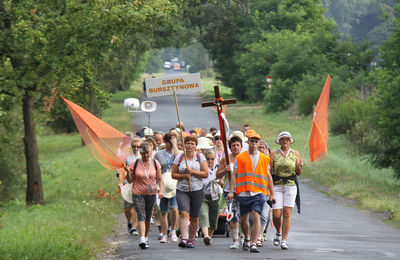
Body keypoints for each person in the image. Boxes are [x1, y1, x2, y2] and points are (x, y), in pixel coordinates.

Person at [228, 131, 275, 253]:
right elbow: (234, 174)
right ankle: (247, 238)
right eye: (252, 141)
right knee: (243, 218)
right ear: (248, 142)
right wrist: (231, 191)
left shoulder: (265, 159)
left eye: (256, 142)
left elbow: (268, 176)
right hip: (243, 192)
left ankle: (254, 243)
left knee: (256, 214)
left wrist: (272, 193)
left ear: (259, 143)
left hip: (259, 192)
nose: (254, 144)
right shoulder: (241, 157)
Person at [125, 142, 164, 249]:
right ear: (140, 153)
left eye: (148, 153)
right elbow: (130, 180)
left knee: (148, 217)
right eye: (143, 153)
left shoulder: (156, 163)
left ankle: (145, 237)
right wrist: (128, 172)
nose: (146, 156)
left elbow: (160, 179)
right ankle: (142, 238)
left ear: (151, 152)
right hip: (138, 193)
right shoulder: (136, 163)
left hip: (151, 193)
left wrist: (161, 191)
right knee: (141, 215)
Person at [171, 136, 208, 248]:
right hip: (182, 190)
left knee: (195, 216)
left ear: (195, 146)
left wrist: (192, 172)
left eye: (192, 144)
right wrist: (183, 176)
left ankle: (191, 238)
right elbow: (173, 174)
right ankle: (184, 238)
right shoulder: (179, 157)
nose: (190, 146)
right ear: (184, 145)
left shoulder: (200, 157)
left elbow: (205, 173)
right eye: (187, 143)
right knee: (184, 212)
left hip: (197, 189)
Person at [270, 131, 303, 250]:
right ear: (279, 141)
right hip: (277, 185)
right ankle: (278, 231)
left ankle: (284, 240)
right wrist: (269, 188)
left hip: (290, 185)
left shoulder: (295, 153)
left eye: (287, 139)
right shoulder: (274, 154)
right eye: (282, 139)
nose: (285, 141)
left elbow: (298, 172)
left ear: (290, 141)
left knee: (287, 213)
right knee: (276, 214)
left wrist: (300, 167)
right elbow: (270, 172)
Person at [154, 133, 180, 243]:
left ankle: (173, 230)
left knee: (174, 208)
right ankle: (164, 234)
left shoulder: (177, 153)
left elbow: (179, 160)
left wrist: (175, 146)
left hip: (174, 184)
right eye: (169, 141)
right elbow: (155, 168)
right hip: (163, 183)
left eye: (172, 141)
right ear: (165, 142)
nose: (170, 143)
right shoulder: (158, 154)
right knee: (163, 211)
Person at [218, 136, 243, 249]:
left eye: (238, 145)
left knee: (243, 215)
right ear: (230, 147)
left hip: (243, 190)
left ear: (241, 146)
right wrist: (225, 170)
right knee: (233, 215)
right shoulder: (226, 159)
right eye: (233, 145)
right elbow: (217, 174)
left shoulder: (245, 158)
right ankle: (235, 240)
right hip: (229, 190)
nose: (236, 147)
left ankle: (243, 237)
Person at [199, 149, 223, 246]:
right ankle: (205, 235)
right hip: (203, 194)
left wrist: (220, 182)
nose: (210, 161)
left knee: (214, 218)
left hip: (216, 195)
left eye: (212, 159)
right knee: (204, 215)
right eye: (208, 159)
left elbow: (222, 181)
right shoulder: (201, 167)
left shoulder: (219, 167)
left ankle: (209, 237)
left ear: (215, 158)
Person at [120, 137, 142, 236]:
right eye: (134, 146)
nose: (136, 148)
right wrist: (121, 182)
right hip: (128, 184)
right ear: (131, 147)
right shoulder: (127, 158)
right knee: (128, 208)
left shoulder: (143, 157)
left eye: (138, 147)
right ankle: (129, 221)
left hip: (139, 184)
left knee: (136, 207)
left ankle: (134, 227)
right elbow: (121, 171)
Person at [257, 139, 271, 246]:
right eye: (259, 147)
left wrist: (272, 192)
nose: (261, 149)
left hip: (266, 191)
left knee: (264, 215)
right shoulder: (253, 159)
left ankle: (259, 236)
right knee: (254, 216)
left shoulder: (270, 161)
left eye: (263, 147)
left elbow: (272, 178)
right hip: (255, 191)